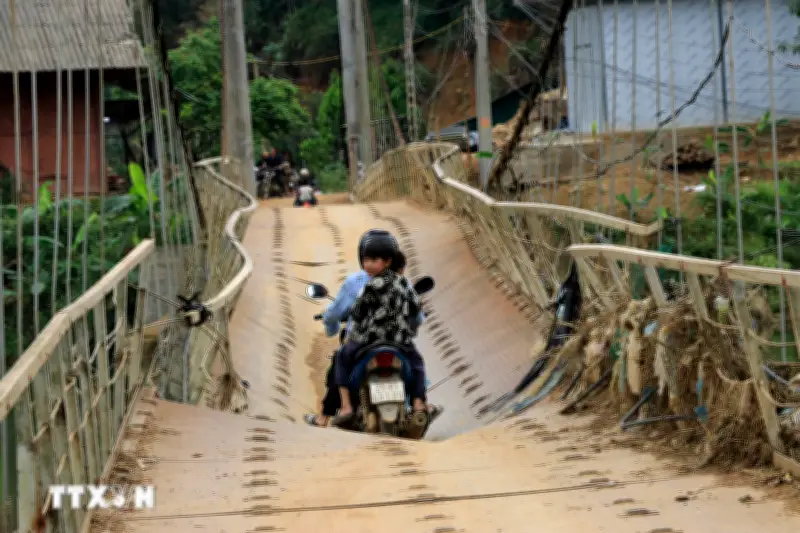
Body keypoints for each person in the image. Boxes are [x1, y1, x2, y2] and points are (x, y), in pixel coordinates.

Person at [331, 233, 429, 428]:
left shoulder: (371, 285)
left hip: (368, 341)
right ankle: (418, 403)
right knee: (417, 365)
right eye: (366, 260)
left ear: (387, 262)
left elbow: (357, 313)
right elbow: (416, 310)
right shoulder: (404, 283)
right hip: (400, 342)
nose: (368, 264)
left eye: (373, 260)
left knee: (341, 358)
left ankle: (346, 406)